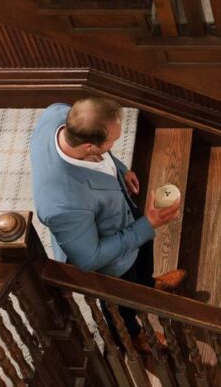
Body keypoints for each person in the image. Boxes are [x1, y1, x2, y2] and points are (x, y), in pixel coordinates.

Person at [30, 95, 181, 342]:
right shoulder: (62, 205)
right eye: (112, 140)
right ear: (90, 147)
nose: (114, 143)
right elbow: (90, 259)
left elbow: (105, 153)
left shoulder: (57, 114)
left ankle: (147, 286)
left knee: (143, 253)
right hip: (112, 258)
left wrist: (121, 170)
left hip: (121, 213)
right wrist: (149, 224)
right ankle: (132, 335)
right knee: (122, 301)